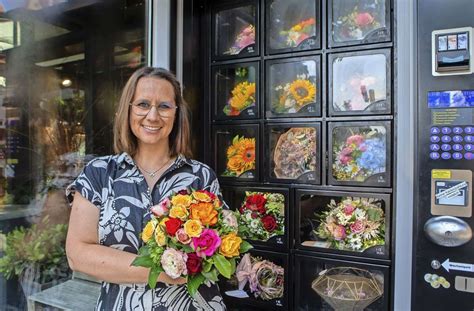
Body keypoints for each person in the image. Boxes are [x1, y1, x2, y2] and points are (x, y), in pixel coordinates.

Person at [65, 67, 227, 310]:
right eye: (142, 104)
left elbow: (220, 249)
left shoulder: (200, 176)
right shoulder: (99, 173)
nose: (152, 116)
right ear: (128, 110)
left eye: (164, 106)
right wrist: (165, 269)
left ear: (176, 113)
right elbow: (77, 255)